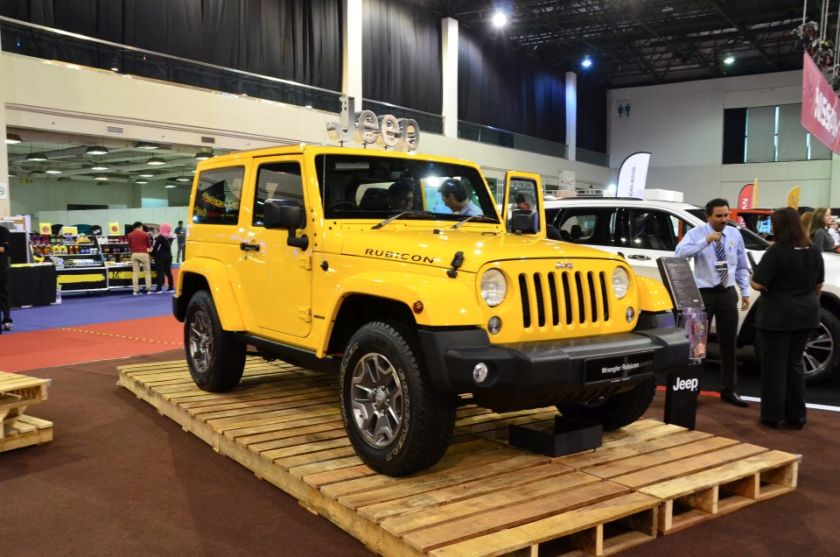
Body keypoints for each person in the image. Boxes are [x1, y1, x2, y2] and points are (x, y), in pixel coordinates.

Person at [750, 207, 824, 429]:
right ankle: (797, 415)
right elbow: (818, 284)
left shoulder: (776, 252)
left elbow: (759, 284)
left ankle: (773, 416)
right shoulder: (813, 250)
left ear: (779, 226)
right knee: (795, 363)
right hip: (806, 313)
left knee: (775, 365)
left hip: (778, 315)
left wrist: (753, 278)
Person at [675, 198, 751, 407]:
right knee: (696, 345)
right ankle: (691, 389)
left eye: (726, 215)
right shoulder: (696, 233)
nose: (723, 219)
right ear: (708, 216)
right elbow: (679, 254)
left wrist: (745, 291)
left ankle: (730, 391)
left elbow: (741, 265)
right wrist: (705, 241)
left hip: (727, 293)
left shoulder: (734, 234)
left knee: (729, 344)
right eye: (719, 216)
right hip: (703, 294)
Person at [128, 221, 152, 295]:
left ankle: (135, 290)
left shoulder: (130, 235)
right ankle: (148, 289)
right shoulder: (145, 234)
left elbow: (130, 246)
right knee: (147, 272)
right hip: (143, 254)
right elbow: (149, 245)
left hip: (134, 254)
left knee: (135, 272)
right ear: (140, 226)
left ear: (134, 227)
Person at [152, 223, 174, 293]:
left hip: (161, 256)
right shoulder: (171, 237)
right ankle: (171, 287)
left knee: (160, 272)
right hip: (169, 256)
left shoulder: (160, 237)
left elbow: (156, 247)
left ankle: (159, 288)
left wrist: (152, 254)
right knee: (168, 272)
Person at [0, 224, 11, 331]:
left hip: (1, 268)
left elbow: (2, 249)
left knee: (3, 294)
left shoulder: (3, 231)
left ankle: (7, 320)